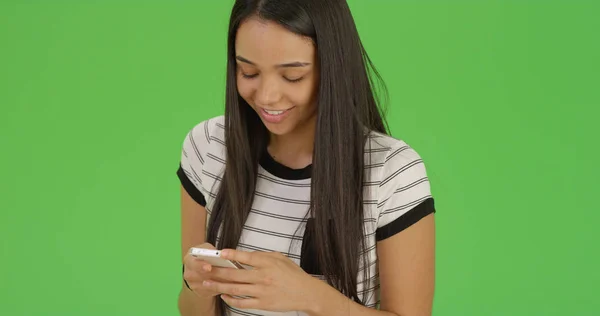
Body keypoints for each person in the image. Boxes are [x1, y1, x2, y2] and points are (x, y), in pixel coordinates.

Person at [177, 1, 436, 315]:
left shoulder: (392, 171)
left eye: (292, 76)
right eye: (249, 71)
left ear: (333, 68)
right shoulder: (207, 146)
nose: (268, 96)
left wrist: (311, 296)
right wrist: (198, 285)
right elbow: (192, 310)